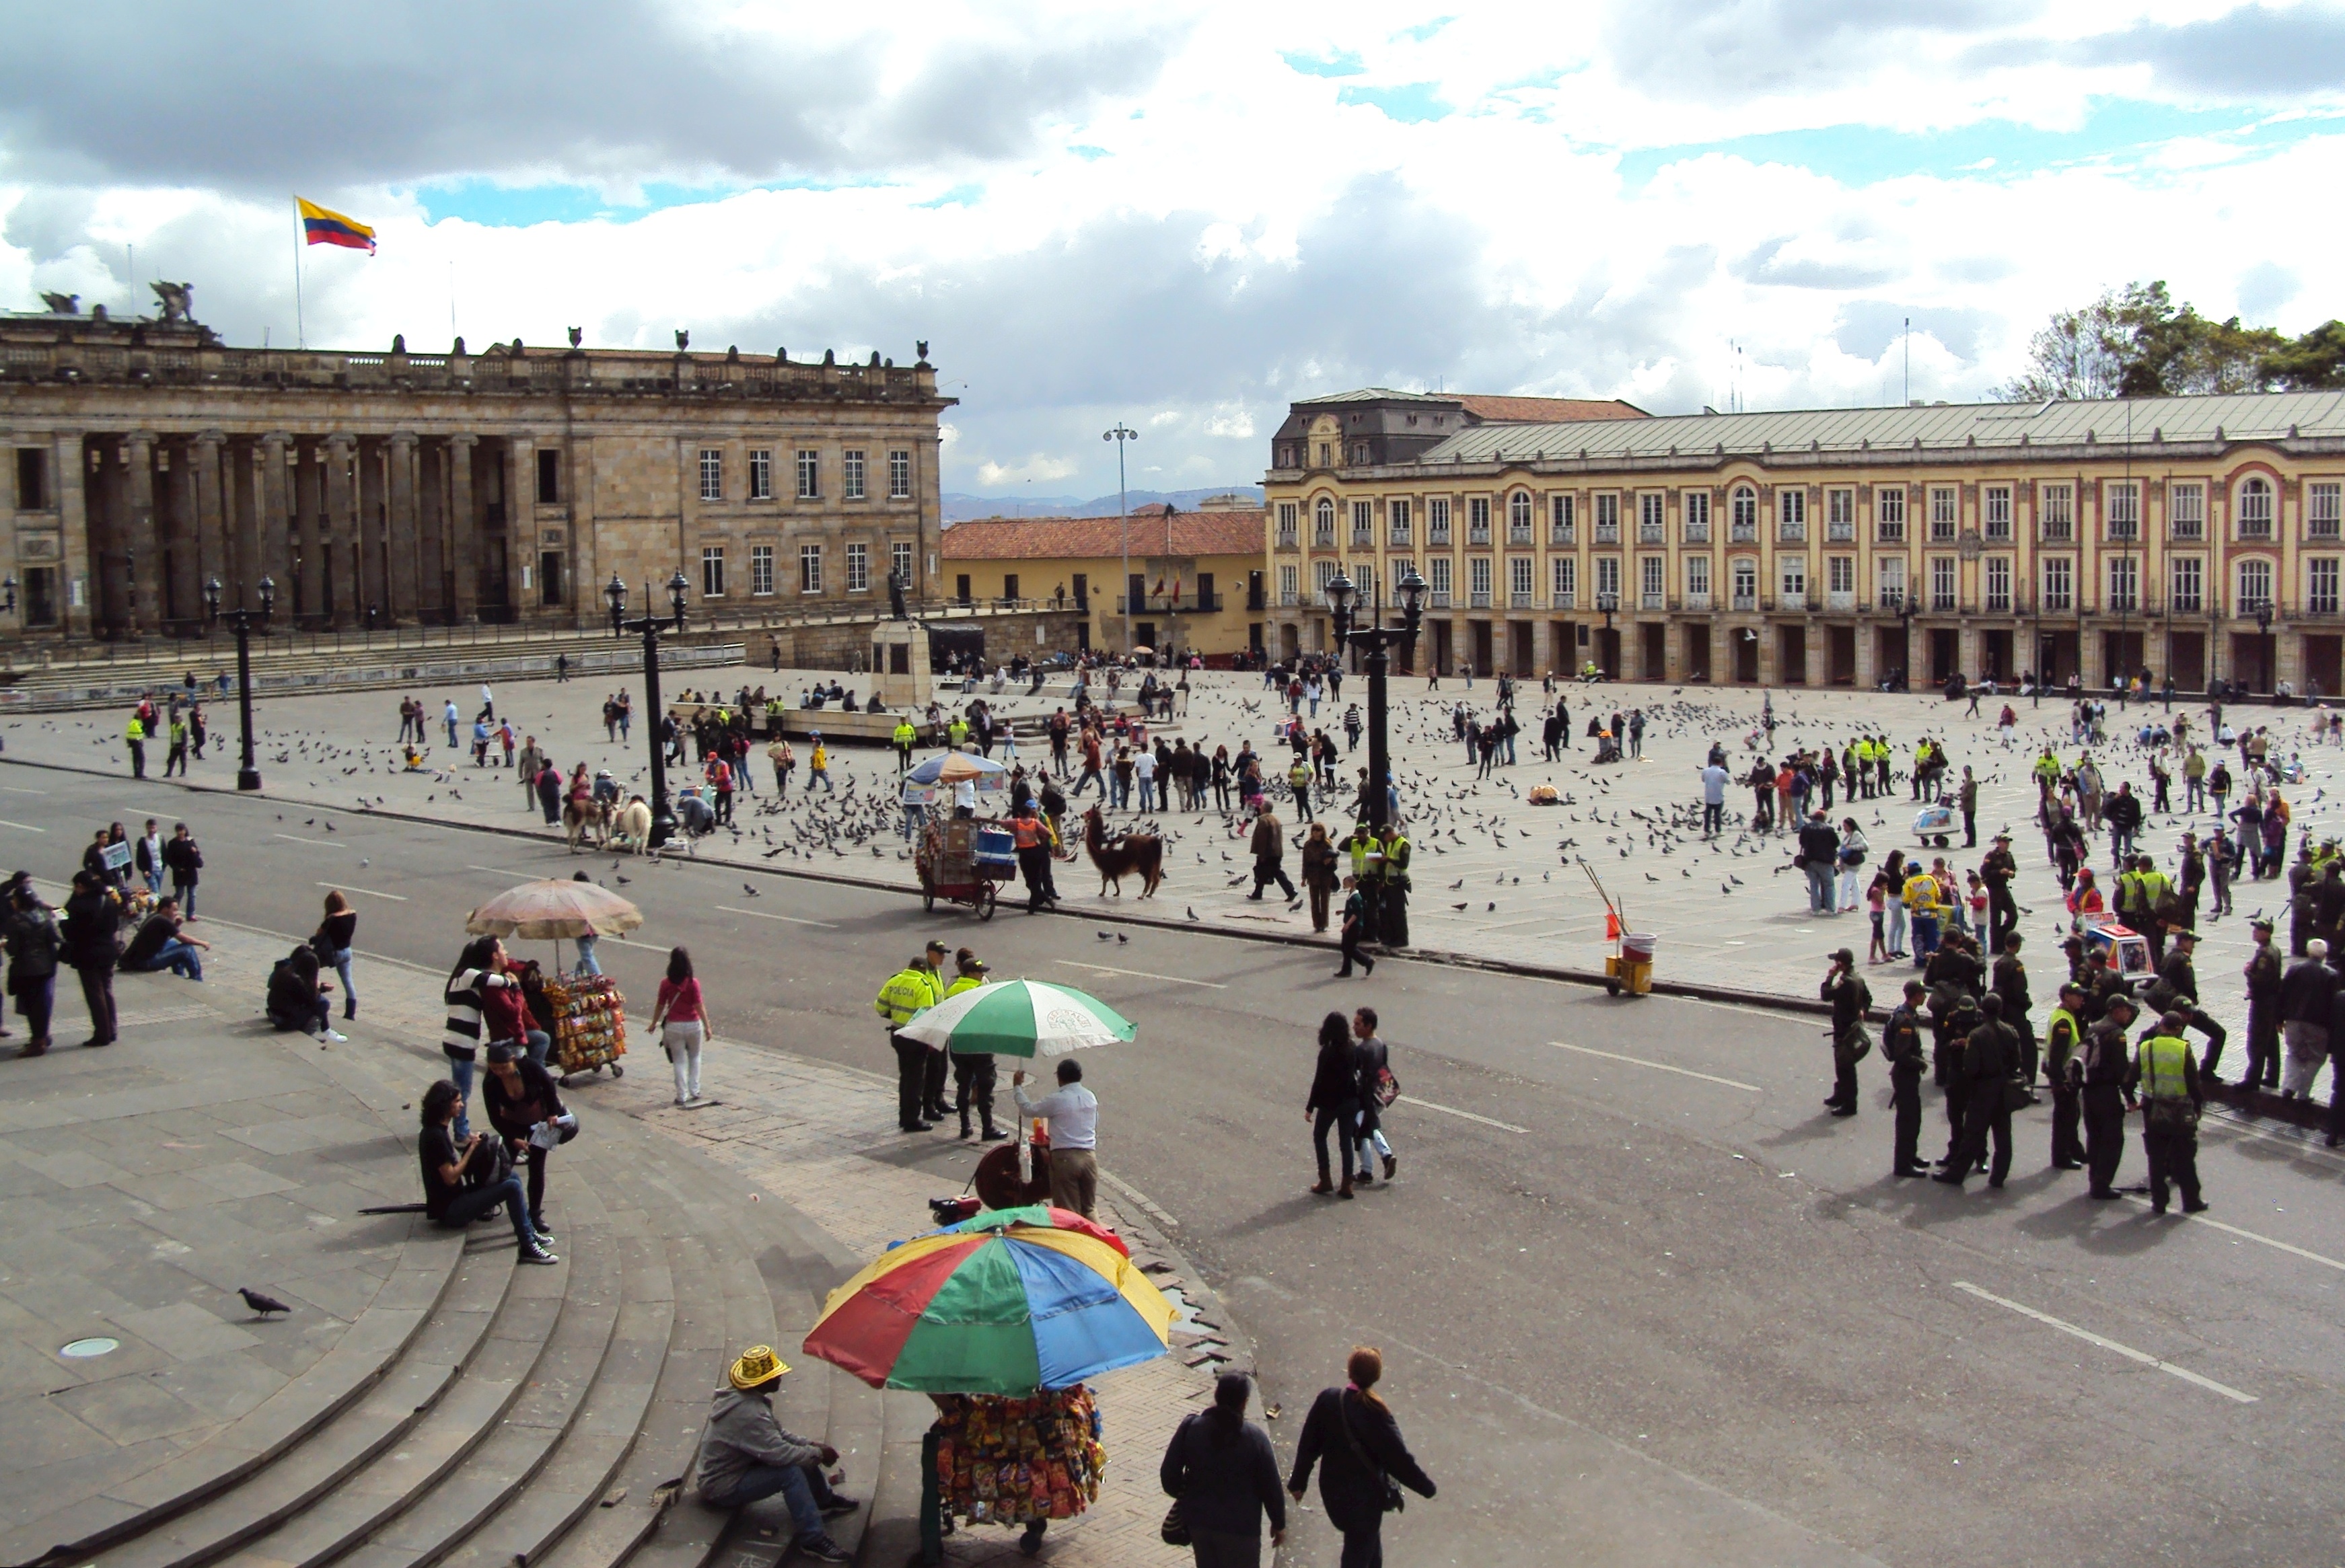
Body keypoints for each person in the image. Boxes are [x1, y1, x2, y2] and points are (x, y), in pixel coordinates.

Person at [694, 1345, 855, 1563]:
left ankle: (824, 1500)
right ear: (762, 1382)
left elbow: (778, 1434)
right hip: (722, 1486)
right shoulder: (748, 1413)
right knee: (791, 1472)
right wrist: (817, 1453)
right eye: (775, 1375)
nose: (780, 1377)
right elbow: (781, 1454)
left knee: (804, 1455)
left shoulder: (748, 1400)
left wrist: (812, 1445)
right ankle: (813, 1540)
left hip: (739, 1467)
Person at [1286, 1347, 1436, 1568]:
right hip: (1365, 1503)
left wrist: (1298, 1483)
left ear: (1350, 1370)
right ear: (1377, 1376)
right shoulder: (1376, 1413)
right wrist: (1427, 1488)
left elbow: (1308, 1445)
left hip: (1333, 1494)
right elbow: (1399, 1460)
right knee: (1358, 1553)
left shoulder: (1329, 1400)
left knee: (1369, 1549)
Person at [415, 1080, 556, 1266]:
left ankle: (529, 1231)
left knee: (510, 1176)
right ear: (445, 1104)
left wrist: (472, 1148)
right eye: (457, 1101)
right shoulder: (435, 1136)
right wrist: (472, 1149)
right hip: (451, 1210)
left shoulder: (436, 1130)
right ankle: (528, 1245)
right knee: (512, 1187)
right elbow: (450, 1178)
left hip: (455, 1199)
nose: (461, 1105)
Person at [1160, 1372, 1287, 1568]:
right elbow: (1271, 1488)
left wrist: (1190, 1494)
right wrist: (1278, 1524)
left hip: (1200, 1524)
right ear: (1244, 1403)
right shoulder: (1255, 1439)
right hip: (1242, 1531)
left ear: (1217, 1396)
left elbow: (1169, 1477)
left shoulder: (1191, 1428)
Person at [481, 1039, 575, 1241]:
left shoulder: (530, 1068)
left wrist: (552, 1113)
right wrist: (512, 1138)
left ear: (513, 1060)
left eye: (504, 1067)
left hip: (542, 1121)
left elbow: (550, 1087)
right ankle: (488, 1203)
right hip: (512, 1123)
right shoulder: (490, 1081)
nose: (500, 1072)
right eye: (495, 1068)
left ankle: (534, 1213)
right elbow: (494, 1116)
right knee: (502, 1165)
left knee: (537, 1166)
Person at [1934, 993, 2018, 1188]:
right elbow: (2016, 1062)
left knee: (1973, 1133)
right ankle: (1999, 1177)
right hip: (2003, 1088)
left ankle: (1957, 1173)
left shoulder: (1977, 1035)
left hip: (1983, 1088)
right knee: (2003, 1135)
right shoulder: (2011, 1032)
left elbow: (1971, 1067)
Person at [2134, 1012, 2208, 1214]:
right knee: (2184, 1158)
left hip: (2153, 1110)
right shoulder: (2182, 1048)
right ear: (2178, 1029)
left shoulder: (2145, 1047)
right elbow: (2193, 1082)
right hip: (2179, 1111)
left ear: (2161, 1026)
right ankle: (2191, 1201)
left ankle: (2159, 1203)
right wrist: (2198, 1106)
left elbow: (2129, 1078)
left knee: (2156, 1160)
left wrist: (2132, 1101)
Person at [1013, 1058, 1098, 1218]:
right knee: (1089, 1209)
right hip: (1089, 1158)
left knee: (1068, 1212)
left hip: (1066, 1159)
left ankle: (1070, 1242)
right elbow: (1094, 1122)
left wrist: (1017, 1087)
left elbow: (1029, 1109)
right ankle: (1096, 1241)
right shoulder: (1090, 1097)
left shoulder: (1058, 1099)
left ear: (1060, 1078)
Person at [875, 946, 945, 1132]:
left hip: (897, 1034)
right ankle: (912, 1120)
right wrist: (931, 1040)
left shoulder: (895, 980)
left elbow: (880, 1007)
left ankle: (903, 1116)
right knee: (915, 1080)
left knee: (905, 1077)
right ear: (922, 969)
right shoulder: (923, 985)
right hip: (916, 1038)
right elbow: (928, 1015)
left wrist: (895, 1015)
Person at [2081, 994, 2140, 1199]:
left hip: (2088, 1091)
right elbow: (2122, 1071)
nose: (2129, 1013)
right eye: (2126, 1010)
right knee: (2112, 1140)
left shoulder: (2094, 1027)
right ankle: (2102, 1183)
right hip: (2106, 1093)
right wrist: (2130, 1099)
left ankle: (2094, 1179)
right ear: (2116, 1010)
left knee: (2094, 1138)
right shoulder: (2116, 1035)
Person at [943, 952, 1005, 1141]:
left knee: (963, 1084)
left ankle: (965, 1126)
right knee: (985, 1085)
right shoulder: (981, 991)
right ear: (971, 973)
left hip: (958, 1044)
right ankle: (987, 1128)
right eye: (979, 972)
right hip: (980, 1045)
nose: (981, 975)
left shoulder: (952, 989)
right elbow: (993, 1017)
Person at [61, 870, 119, 1049]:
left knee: (94, 993)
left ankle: (102, 1033)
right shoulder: (107, 901)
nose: (76, 890)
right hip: (108, 950)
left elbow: (68, 928)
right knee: (107, 989)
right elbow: (115, 925)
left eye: (77, 886)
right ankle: (112, 1028)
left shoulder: (79, 906)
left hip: (87, 953)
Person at [5, 882, 63, 1056]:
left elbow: (13, 949)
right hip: (46, 966)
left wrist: (5, 944)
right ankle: (42, 1036)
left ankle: (38, 1041)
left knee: (32, 1006)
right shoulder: (44, 916)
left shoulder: (16, 921)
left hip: (27, 969)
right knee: (42, 1003)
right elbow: (55, 938)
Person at [651, 946, 711, 1106]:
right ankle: (695, 1090)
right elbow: (699, 1006)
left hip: (674, 1026)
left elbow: (660, 1005)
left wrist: (653, 1023)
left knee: (679, 1061)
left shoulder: (665, 983)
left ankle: (681, 1095)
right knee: (695, 1057)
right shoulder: (693, 983)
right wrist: (707, 1027)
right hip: (693, 1025)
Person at [1883, 979, 1929, 1176]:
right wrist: (1921, 1063)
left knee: (1915, 1118)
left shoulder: (1908, 1013)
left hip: (1909, 1076)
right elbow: (1902, 1055)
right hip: (1905, 1075)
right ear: (1916, 995)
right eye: (1922, 993)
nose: (1925, 996)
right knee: (1907, 1121)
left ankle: (1911, 1155)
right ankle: (1902, 1165)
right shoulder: (1905, 1021)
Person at [2044, 982, 2088, 1171]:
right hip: (2064, 1079)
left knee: (2071, 1115)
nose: (2082, 999)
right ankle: (2062, 1157)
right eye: (2078, 996)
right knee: (2065, 1119)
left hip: (2065, 1077)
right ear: (2067, 997)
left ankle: (2073, 1151)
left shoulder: (2063, 1015)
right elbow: (2057, 1057)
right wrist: (2059, 1082)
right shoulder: (2064, 1023)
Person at [1350, 1006, 1397, 1182]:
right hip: (1380, 1094)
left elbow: (1356, 1075)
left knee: (1360, 1130)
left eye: (1358, 1024)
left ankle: (1368, 1170)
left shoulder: (1362, 1050)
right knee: (1369, 1127)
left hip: (1366, 1098)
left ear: (1368, 1026)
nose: (1354, 1027)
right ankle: (1385, 1157)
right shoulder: (1380, 1044)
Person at [1821, 948, 1869, 1115]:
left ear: (1841, 963)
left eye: (1836, 962)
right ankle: (1840, 1095)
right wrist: (1863, 1009)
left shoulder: (1846, 981)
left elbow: (1826, 995)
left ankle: (1849, 1104)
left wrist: (1830, 977)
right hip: (1849, 1026)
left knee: (1845, 1067)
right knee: (1841, 1064)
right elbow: (1868, 999)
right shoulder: (1858, 978)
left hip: (1845, 1029)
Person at [266, 942, 342, 1039]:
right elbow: (312, 1000)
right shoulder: (297, 981)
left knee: (318, 1002)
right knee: (323, 1003)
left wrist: (320, 988)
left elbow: (301, 996)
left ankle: (324, 1029)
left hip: (275, 1015)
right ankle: (310, 1032)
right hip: (284, 1022)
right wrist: (318, 987)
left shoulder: (286, 972)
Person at [121, 897, 207, 981]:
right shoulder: (163, 921)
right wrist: (202, 943)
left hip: (135, 959)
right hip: (145, 962)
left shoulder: (154, 916)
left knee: (173, 943)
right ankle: (197, 979)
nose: (176, 913)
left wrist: (176, 925)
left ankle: (179, 974)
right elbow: (184, 939)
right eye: (174, 910)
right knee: (187, 949)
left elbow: (165, 937)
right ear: (165, 909)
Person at [316, 889, 359, 1019]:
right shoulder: (352, 914)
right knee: (348, 981)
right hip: (347, 951)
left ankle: (313, 994)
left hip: (333, 953)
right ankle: (350, 1014)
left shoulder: (331, 918)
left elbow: (319, 934)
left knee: (311, 967)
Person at [1248, 807, 1297, 902]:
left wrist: (1261, 854)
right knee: (1262, 872)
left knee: (1275, 872)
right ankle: (1257, 893)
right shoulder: (1275, 819)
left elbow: (1262, 839)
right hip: (1276, 851)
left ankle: (1291, 891)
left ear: (1264, 809)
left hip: (1268, 852)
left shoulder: (1263, 820)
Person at [161, 822, 203, 918]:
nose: (180, 833)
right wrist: (177, 868)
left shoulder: (190, 842)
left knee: (192, 894)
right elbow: (169, 859)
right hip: (179, 873)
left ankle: (190, 914)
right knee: (179, 894)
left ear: (185, 831)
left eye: (182, 830)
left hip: (191, 872)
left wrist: (194, 851)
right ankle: (173, 912)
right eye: (178, 831)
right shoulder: (173, 844)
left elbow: (197, 855)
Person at [134, 819, 165, 896]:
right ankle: (158, 907)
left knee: (152, 893)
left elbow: (164, 853)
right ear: (147, 828)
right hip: (150, 871)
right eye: (149, 828)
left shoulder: (160, 838)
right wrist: (144, 870)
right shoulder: (143, 841)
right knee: (156, 893)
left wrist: (164, 865)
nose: (151, 830)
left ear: (156, 828)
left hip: (160, 869)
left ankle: (149, 907)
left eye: (153, 828)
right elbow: (139, 858)